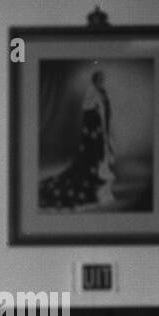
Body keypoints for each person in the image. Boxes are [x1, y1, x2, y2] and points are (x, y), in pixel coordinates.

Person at [38, 68, 116, 211]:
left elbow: (106, 112)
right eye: (98, 79)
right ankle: (94, 189)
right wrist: (94, 129)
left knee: (103, 157)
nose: (101, 81)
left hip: (102, 131)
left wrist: (105, 131)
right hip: (93, 131)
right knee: (92, 159)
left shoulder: (102, 92)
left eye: (102, 79)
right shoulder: (91, 93)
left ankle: (102, 189)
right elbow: (88, 113)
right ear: (94, 80)